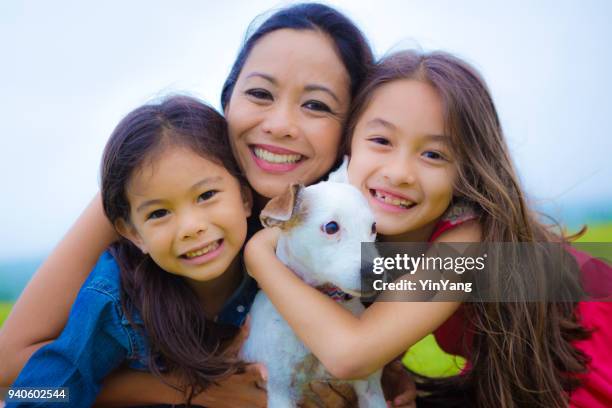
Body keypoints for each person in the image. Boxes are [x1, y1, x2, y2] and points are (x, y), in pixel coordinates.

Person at [0, 3, 415, 407]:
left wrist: (382, 366)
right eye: (259, 93)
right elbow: (10, 366)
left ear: (351, 130)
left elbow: (357, 353)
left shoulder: (376, 206)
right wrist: (193, 389)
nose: (279, 125)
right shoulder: (160, 174)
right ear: (228, 99)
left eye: (316, 105)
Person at [245, 50, 612, 407]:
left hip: (593, 375)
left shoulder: (470, 243)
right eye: (381, 141)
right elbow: (369, 337)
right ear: (349, 145)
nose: (400, 172)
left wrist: (259, 255)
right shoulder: (363, 233)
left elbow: (351, 354)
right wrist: (389, 365)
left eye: (434, 155)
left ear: (467, 171)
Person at [7, 95, 258, 407]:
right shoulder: (114, 299)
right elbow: (33, 392)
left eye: (206, 195)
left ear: (245, 198)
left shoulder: (281, 263)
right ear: (132, 233)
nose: (190, 227)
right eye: (158, 213)